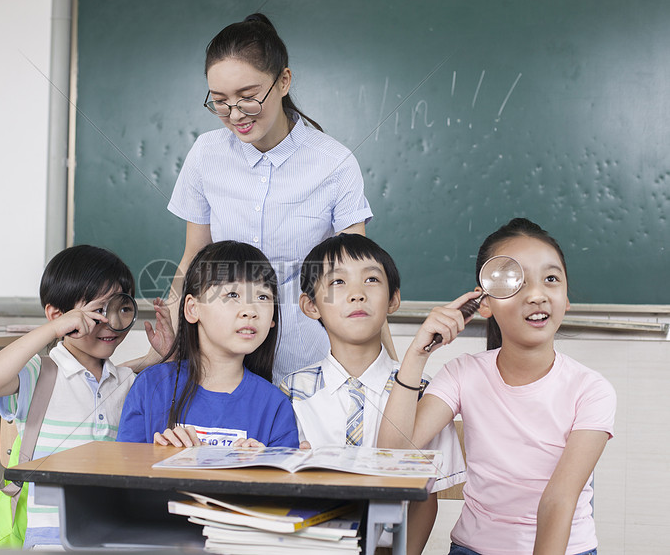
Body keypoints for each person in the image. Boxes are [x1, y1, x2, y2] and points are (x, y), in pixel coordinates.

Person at [164, 13, 397, 384]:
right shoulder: (206, 154)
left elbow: (357, 273)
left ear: (283, 81)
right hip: (223, 360)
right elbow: (195, 255)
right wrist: (170, 344)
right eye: (220, 101)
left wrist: (389, 369)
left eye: (248, 98)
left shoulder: (333, 163)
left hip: (308, 359)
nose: (235, 114)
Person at [378, 218, 616, 555]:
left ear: (565, 296)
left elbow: (558, 500)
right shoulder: (462, 374)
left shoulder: (592, 389)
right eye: (515, 283)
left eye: (550, 279)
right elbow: (392, 456)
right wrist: (417, 354)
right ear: (484, 302)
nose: (536, 295)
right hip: (474, 548)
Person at [0, 245, 171, 549]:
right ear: (58, 315)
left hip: (108, 533)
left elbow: (123, 378)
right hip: (46, 538)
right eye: (97, 311)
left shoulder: (125, 381)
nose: (111, 322)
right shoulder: (39, 375)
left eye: (122, 308)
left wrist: (154, 359)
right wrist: (52, 329)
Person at [280, 233, 466, 555]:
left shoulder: (425, 392)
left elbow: (426, 500)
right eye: (338, 282)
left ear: (393, 299)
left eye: (371, 279)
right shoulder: (289, 395)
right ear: (311, 306)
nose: (356, 294)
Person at [117, 240, 299, 448]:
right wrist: (163, 458)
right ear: (193, 309)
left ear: (273, 318)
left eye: (263, 296)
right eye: (232, 294)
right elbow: (124, 474)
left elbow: (282, 478)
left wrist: (257, 471)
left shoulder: (276, 405)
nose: (250, 310)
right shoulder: (151, 386)